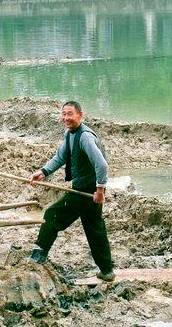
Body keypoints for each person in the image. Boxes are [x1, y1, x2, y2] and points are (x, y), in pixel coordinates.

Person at [28, 101, 115, 282]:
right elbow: (60, 157)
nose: (66, 118)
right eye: (64, 114)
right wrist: (43, 172)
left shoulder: (85, 137)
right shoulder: (69, 134)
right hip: (85, 189)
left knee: (52, 215)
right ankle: (107, 271)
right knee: (95, 228)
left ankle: (38, 255)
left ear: (80, 115)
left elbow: (102, 165)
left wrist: (100, 190)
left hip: (86, 190)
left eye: (70, 114)